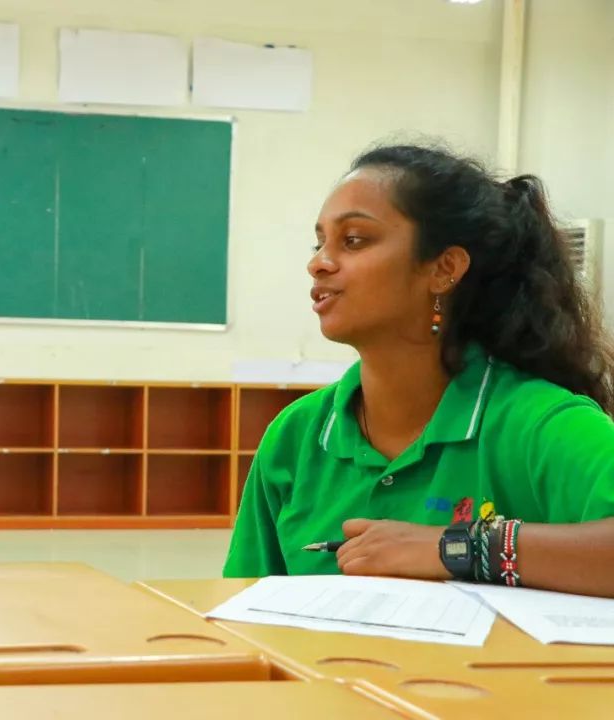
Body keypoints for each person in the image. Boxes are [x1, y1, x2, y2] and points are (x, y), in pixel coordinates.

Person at [224, 144, 614, 597]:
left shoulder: (540, 423)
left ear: (444, 269)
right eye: (320, 243)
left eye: (353, 240)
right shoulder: (296, 436)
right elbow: (242, 606)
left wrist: (456, 550)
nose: (319, 263)